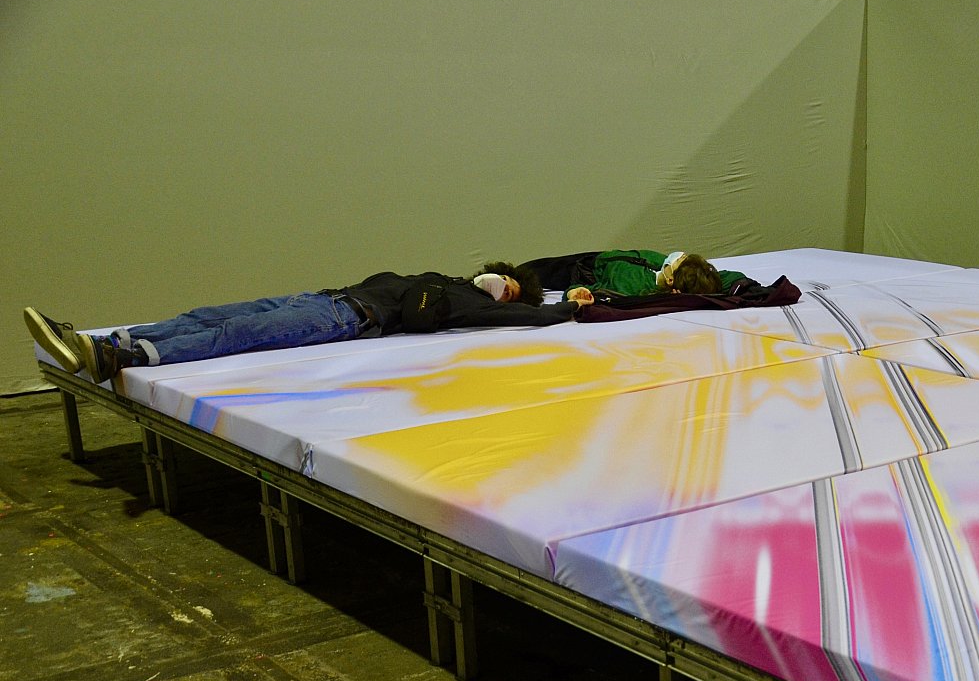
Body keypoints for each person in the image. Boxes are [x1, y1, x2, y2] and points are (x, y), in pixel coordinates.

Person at [24, 260, 576, 383]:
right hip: (325, 297)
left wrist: (567, 307)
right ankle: (98, 340)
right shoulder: (444, 279)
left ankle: (118, 358)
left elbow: (528, 316)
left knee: (232, 336)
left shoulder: (474, 304)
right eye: (503, 279)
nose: (501, 287)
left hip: (343, 317)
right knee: (210, 315)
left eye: (510, 289)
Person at [518, 249, 747, 306]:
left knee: (526, 272)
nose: (677, 256)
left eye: (678, 261)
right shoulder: (691, 272)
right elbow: (730, 277)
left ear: (671, 281)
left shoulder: (633, 289)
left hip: (582, 269)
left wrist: (573, 292)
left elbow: (588, 290)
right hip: (601, 257)